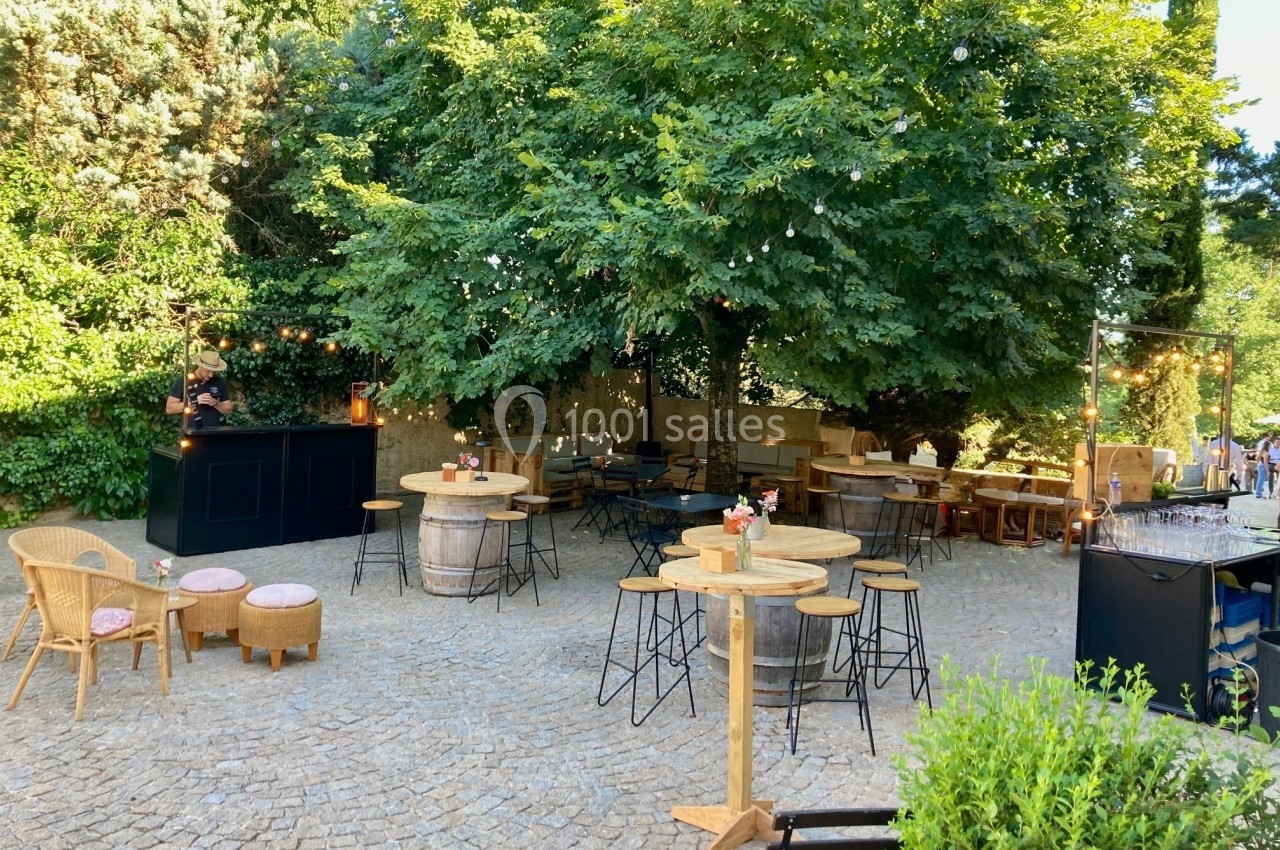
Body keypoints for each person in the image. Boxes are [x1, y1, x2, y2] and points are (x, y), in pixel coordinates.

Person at [166, 350, 233, 428]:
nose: (211, 375)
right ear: (200, 366)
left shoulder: (219, 381)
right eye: (208, 371)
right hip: (190, 433)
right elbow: (169, 409)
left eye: (214, 372)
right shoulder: (183, 381)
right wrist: (195, 401)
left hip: (214, 434)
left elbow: (229, 409)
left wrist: (216, 404)